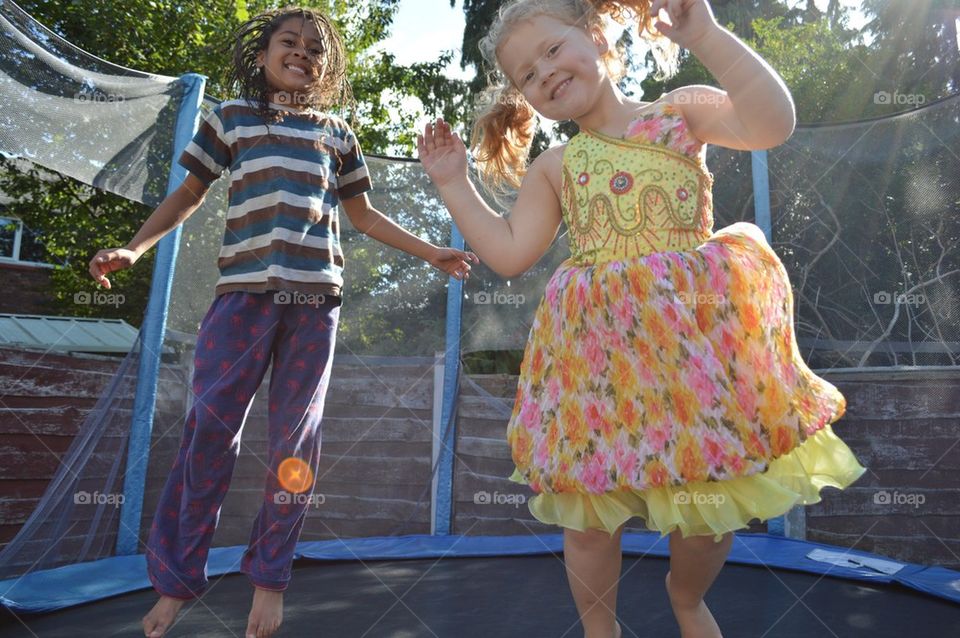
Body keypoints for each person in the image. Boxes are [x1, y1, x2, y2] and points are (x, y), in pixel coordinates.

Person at [417, 1, 865, 636]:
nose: (542, 73)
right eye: (525, 75)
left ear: (597, 36)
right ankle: (602, 630)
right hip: (600, 365)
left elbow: (772, 124)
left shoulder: (679, 113)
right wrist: (453, 182)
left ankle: (686, 599)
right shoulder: (556, 165)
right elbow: (510, 253)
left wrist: (705, 35)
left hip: (689, 353)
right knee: (587, 514)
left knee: (709, 511)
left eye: (551, 50)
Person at [89, 7, 477, 638]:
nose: (302, 53)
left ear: (326, 68)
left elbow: (366, 218)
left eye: (315, 48)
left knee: (296, 445)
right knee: (208, 434)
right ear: (264, 53)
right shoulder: (231, 120)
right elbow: (188, 195)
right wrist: (133, 248)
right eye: (289, 42)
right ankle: (177, 582)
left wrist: (432, 250)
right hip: (241, 300)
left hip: (314, 304)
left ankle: (269, 579)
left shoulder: (337, 133)